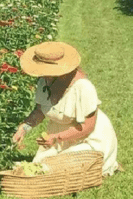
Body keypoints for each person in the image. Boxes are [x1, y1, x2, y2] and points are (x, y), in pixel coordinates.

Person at [12, 41, 119, 176]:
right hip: (61, 136)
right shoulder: (44, 81)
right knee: (41, 164)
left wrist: (56, 138)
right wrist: (23, 128)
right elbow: (40, 110)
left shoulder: (82, 87)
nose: (43, 74)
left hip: (88, 138)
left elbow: (87, 127)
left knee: (57, 168)